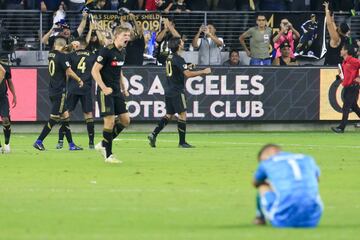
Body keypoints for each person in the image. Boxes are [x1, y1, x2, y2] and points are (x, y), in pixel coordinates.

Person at [148, 37, 211, 148]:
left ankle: (154, 133)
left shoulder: (170, 57)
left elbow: (180, 67)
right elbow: (187, 74)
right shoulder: (178, 59)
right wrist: (203, 72)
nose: (183, 43)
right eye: (181, 42)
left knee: (169, 114)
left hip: (168, 90)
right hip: (177, 90)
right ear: (178, 45)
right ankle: (182, 142)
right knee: (182, 114)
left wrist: (190, 65)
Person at [253, 144, 323, 227]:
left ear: (265, 154)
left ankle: (260, 217)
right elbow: (317, 179)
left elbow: (255, 183)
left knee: (263, 185)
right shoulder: (307, 158)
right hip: (313, 219)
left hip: (282, 220)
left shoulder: (267, 163)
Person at [33, 38, 84, 151]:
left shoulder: (51, 54)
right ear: (63, 46)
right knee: (54, 118)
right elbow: (69, 71)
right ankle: (39, 141)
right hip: (59, 91)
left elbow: (62, 49)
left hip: (52, 89)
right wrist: (79, 80)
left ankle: (71, 145)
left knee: (65, 117)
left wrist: (70, 45)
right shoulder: (62, 57)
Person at [91, 26, 131, 164]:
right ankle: (108, 155)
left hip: (116, 91)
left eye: (128, 35)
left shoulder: (123, 52)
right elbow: (94, 71)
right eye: (125, 35)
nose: (127, 38)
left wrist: (124, 88)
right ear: (116, 36)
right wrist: (103, 87)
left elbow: (119, 71)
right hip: (105, 91)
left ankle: (103, 144)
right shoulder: (106, 51)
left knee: (126, 121)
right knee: (110, 121)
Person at [57, 38, 96, 149]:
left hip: (73, 87)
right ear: (86, 45)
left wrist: (69, 46)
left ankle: (60, 141)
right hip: (86, 87)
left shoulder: (71, 55)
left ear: (77, 45)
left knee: (66, 114)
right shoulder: (92, 55)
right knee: (88, 115)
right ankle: (91, 143)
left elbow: (60, 55)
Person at [331, 44, 360, 133]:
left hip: (353, 86)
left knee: (346, 107)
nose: (340, 51)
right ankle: (341, 127)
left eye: (342, 49)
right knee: (354, 106)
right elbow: (345, 75)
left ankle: (341, 127)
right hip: (348, 86)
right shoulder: (344, 62)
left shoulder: (353, 60)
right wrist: (339, 76)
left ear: (346, 51)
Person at [323, 1, 351, 66]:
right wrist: (331, 17)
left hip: (331, 65)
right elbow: (332, 23)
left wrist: (326, 10)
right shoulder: (343, 36)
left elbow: (329, 25)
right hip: (339, 64)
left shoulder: (336, 38)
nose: (337, 26)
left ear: (340, 29)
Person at [0, 62, 16, 154]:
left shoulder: (4, 66)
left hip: (2, 98)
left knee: (6, 119)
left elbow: (9, 81)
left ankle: (7, 144)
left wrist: (14, 95)